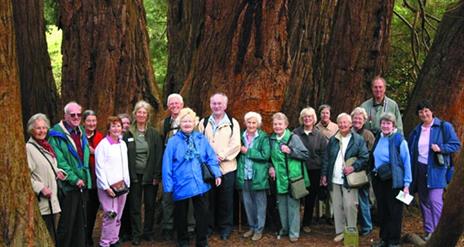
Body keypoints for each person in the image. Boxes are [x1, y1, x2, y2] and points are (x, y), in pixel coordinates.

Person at [163, 108, 222, 247]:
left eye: (190, 121)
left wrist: (217, 173)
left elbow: (210, 157)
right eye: (184, 121)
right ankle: (183, 240)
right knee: (181, 215)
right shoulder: (173, 141)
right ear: (180, 123)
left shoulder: (200, 138)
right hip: (180, 183)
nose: (187, 123)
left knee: (202, 215)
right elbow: (167, 164)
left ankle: (202, 241)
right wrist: (168, 186)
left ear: (194, 122)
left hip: (200, 182)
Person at [408, 100, 461, 241]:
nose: (424, 114)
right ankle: (428, 231)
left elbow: (456, 145)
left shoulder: (444, 126)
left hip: (437, 170)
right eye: (421, 112)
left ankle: (438, 235)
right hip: (419, 169)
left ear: (432, 111)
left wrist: (441, 148)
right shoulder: (416, 130)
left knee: (435, 200)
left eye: (426, 110)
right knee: (424, 201)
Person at [198, 93, 241, 240]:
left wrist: (222, 155)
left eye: (219, 104)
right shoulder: (203, 123)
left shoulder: (233, 123)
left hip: (227, 167)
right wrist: (209, 159)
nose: (216, 106)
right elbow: (199, 143)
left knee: (226, 200)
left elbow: (236, 144)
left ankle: (225, 228)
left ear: (225, 105)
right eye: (214, 103)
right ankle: (209, 227)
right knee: (209, 199)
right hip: (209, 168)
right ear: (210, 105)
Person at [48, 102, 91, 247]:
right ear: (65, 115)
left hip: (82, 183)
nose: (76, 117)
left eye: (79, 114)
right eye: (72, 115)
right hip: (68, 185)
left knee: (80, 222)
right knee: (67, 223)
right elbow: (60, 161)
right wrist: (74, 179)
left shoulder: (81, 131)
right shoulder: (56, 134)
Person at [321, 113, 369, 243]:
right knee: (337, 206)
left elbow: (365, 157)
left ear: (350, 124)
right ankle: (340, 231)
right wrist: (324, 175)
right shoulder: (333, 139)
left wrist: (353, 167)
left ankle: (351, 231)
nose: (342, 125)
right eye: (340, 122)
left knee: (350, 206)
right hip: (334, 178)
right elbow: (326, 158)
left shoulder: (357, 139)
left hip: (349, 179)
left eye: (345, 122)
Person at [123, 100, 163, 245]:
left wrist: (157, 175)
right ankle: (136, 234)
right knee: (134, 206)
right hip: (134, 176)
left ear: (148, 115)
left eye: (144, 112)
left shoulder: (154, 133)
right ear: (135, 114)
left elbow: (159, 155)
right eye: (139, 112)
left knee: (150, 205)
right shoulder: (128, 133)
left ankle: (148, 232)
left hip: (150, 176)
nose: (141, 114)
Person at [157, 93, 195, 241]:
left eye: (177, 103)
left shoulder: (190, 121)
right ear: (168, 106)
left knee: (189, 197)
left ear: (182, 104)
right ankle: (168, 226)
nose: (174, 106)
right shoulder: (164, 123)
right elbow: (160, 144)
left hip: (186, 167)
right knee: (168, 196)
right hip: (170, 167)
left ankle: (190, 227)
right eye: (171, 104)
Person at [371, 113, 411, 247]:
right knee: (382, 211)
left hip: (394, 181)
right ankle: (384, 239)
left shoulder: (399, 140)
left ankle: (393, 241)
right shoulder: (379, 137)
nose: (385, 126)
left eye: (388, 123)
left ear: (393, 125)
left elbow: (407, 163)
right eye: (383, 123)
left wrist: (406, 184)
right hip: (379, 179)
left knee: (394, 212)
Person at [269, 112, 309, 243]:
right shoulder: (272, 139)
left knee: (293, 207)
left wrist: (291, 151)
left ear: (286, 125)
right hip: (279, 179)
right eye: (275, 124)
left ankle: (294, 232)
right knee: (281, 206)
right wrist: (271, 167)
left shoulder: (293, 138)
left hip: (292, 178)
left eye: (280, 124)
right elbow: (270, 158)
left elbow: (305, 154)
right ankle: (285, 229)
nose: (277, 126)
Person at [26, 113, 66, 243]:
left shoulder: (45, 146)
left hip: (53, 202)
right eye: (38, 128)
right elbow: (26, 176)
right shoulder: (29, 148)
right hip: (42, 204)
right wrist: (41, 188)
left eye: (44, 128)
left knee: (52, 236)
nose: (42, 131)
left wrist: (59, 172)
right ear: (32, 130)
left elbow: (49, 167)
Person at [95, 116, 130, 247]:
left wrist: (128, 183)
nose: (116, 129)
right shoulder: (103, 146)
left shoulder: (122, 144)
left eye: (118, 126)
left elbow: (124, 165)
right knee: (110, 215)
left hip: (122, 186)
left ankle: (114, 239)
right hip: (108, 187)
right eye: (113, 126)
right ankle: (104, 243)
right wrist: (106, 187)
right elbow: (99, 168)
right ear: (108, 129)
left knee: (118, 215)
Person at [236, 112, 271, 241]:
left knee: (260, 204)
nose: (251, 125)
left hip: (258, 176)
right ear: (245, 123)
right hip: (244, 175)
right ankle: (252, 227)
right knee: (248, 203)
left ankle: (259, 229)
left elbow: (265, 155)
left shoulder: (263, 137)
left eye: (254, 122)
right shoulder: (241, 136)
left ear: (258, 124)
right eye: (249, 122)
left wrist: (248, 151)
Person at [293, 107, 327, 233]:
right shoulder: (295, 133)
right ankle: (294, 223)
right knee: (296, 197)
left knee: (310, 198)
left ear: (314, 119)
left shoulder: (320, 135)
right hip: (298, 170)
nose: (307, 119)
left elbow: (324, 156)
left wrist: (323, 174)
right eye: (305, 117)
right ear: (302, 119)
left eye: (310, 117)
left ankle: (306, 223)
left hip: (314, 171)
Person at [350, 107, 375, 236]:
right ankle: (350, 226)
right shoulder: (347, 132)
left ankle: (367, 226)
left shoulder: (368, 135)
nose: (357, 120)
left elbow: (371, 156)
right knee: (349, 200)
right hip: (348, 172)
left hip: (363, 172)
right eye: (355, 118)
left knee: (363, 199)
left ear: (364, 120)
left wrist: (363, 169)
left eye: (360, 118)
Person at [82, 110, 104, 246]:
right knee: (82, 211)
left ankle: (88, 236)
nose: (91, 123)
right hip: (83, 180)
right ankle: (81, 237)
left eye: (94, 121)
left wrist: (94, 152)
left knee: (92, 211)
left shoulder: (100, 138)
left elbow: (105, 157)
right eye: (89, 121)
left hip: (96, 182)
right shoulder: (78, 137)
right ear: (84, 122)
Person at [117, 113, 132, 242]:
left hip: (129, 177)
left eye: (128, 123)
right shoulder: (112, 140)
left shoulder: (130, 137)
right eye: (123, 123)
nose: (125, 125)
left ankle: (128, 231)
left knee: (128, 206)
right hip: (116, 178)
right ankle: (119, 233)